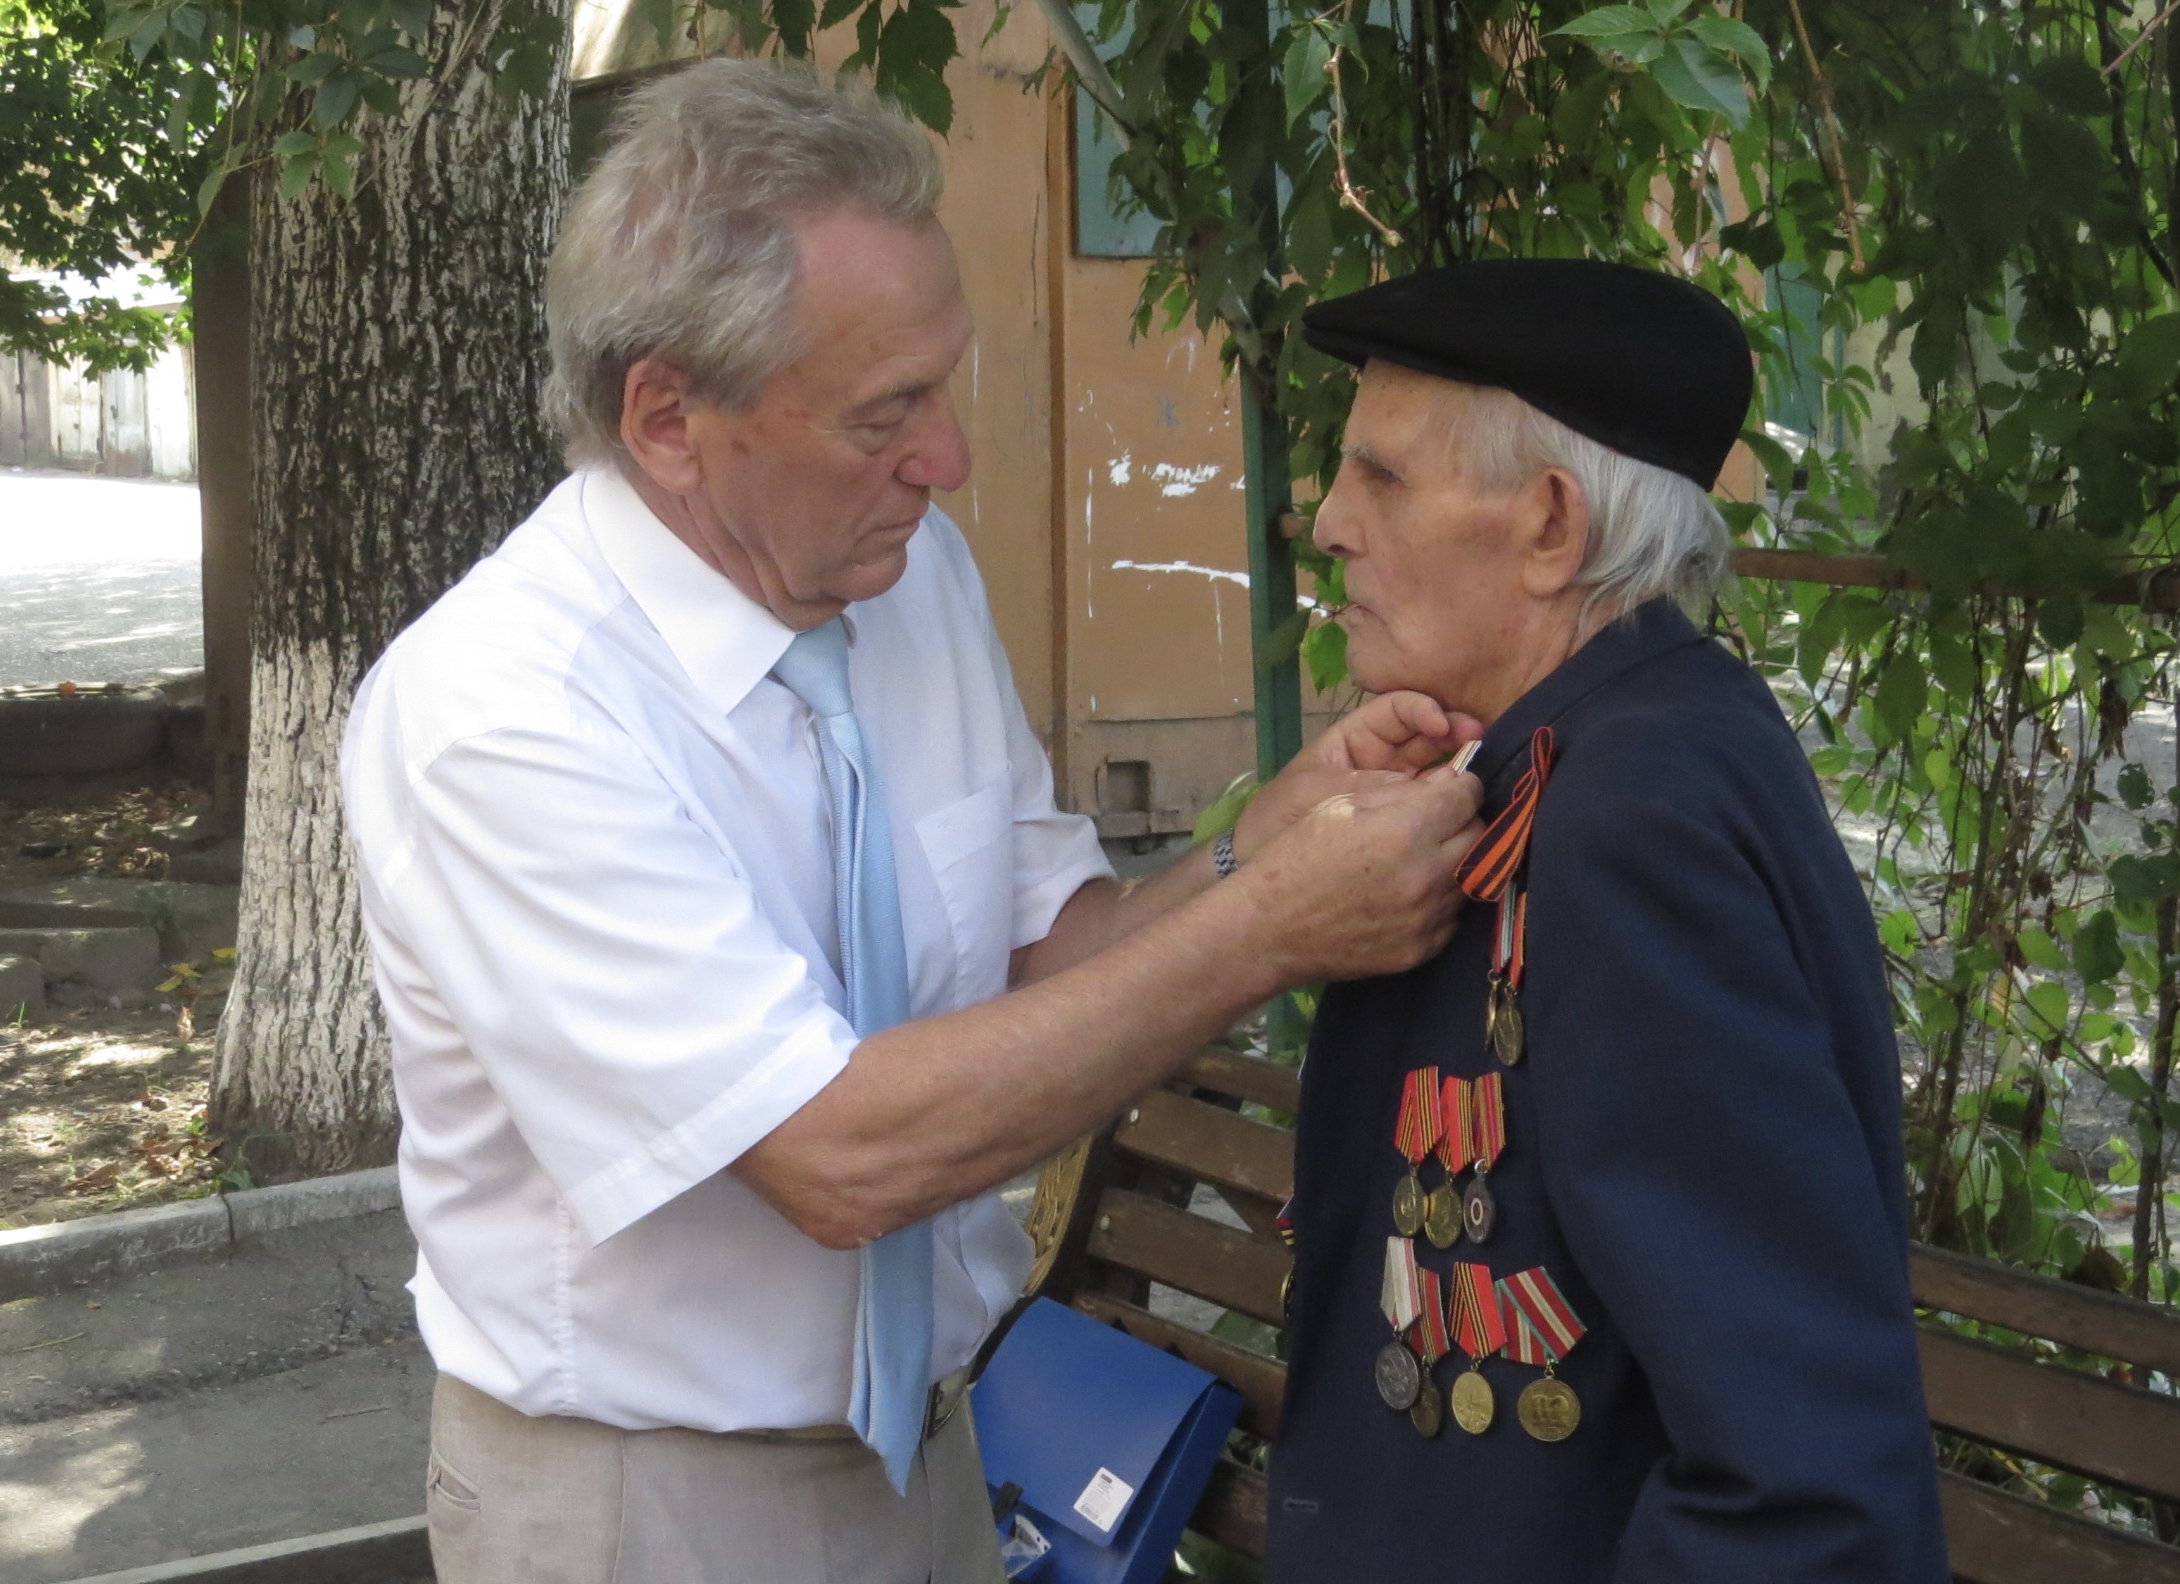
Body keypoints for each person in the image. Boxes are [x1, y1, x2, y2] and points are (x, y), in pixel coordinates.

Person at [339, 60, 1483, 1584]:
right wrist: (1269, 928)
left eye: (945, 383)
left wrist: (1252, 848)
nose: (947, 459)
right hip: (649, 1510)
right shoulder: (502, 715)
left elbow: (1045, 949)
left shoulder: (904, 573)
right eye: (888, 411)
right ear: (669, 419)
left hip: (931, 1448)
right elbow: (837, 1158)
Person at [1265, 258, 1950, 1582]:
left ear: (1549, 527)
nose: (1329, 522)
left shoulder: (1631, 814)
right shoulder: (1605, 744)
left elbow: (1799, 1482)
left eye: (1381, 477)